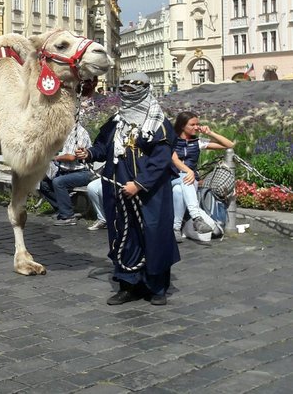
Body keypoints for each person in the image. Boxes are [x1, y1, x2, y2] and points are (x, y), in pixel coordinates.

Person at [76, 73, 179, 306]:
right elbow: (103, 147)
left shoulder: (158, 123)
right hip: (119, 191)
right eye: (124, 88)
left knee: (153, 234)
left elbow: (161, 160)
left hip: (150, 194)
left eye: (133, 87)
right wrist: (90, 153)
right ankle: (128, 286)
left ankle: (157, 287)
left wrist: (139, 184)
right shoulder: (116, 121)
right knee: (123, 234)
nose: (128, 92)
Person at [170, 111, 235, 242]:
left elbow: (229, 145)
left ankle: (175, 229)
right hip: (172, 178)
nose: (196, 127)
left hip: (189, 180)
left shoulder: (198, 142)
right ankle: (196, 218)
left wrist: (209, 133)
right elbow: (173, 161)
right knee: (184, 179)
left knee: (178, 191)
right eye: (192, 124)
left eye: (197, 124)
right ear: (182, 126)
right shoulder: (171, 141)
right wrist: (189, 172)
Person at [38, 121, 94, 226]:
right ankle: (63, 209)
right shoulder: (66, 133)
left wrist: (54, 158)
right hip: (65, 171)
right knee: (43, 183)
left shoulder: (80, 133)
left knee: (58, 182)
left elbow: (72, 157)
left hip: (83, 172)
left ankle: (68, 216)